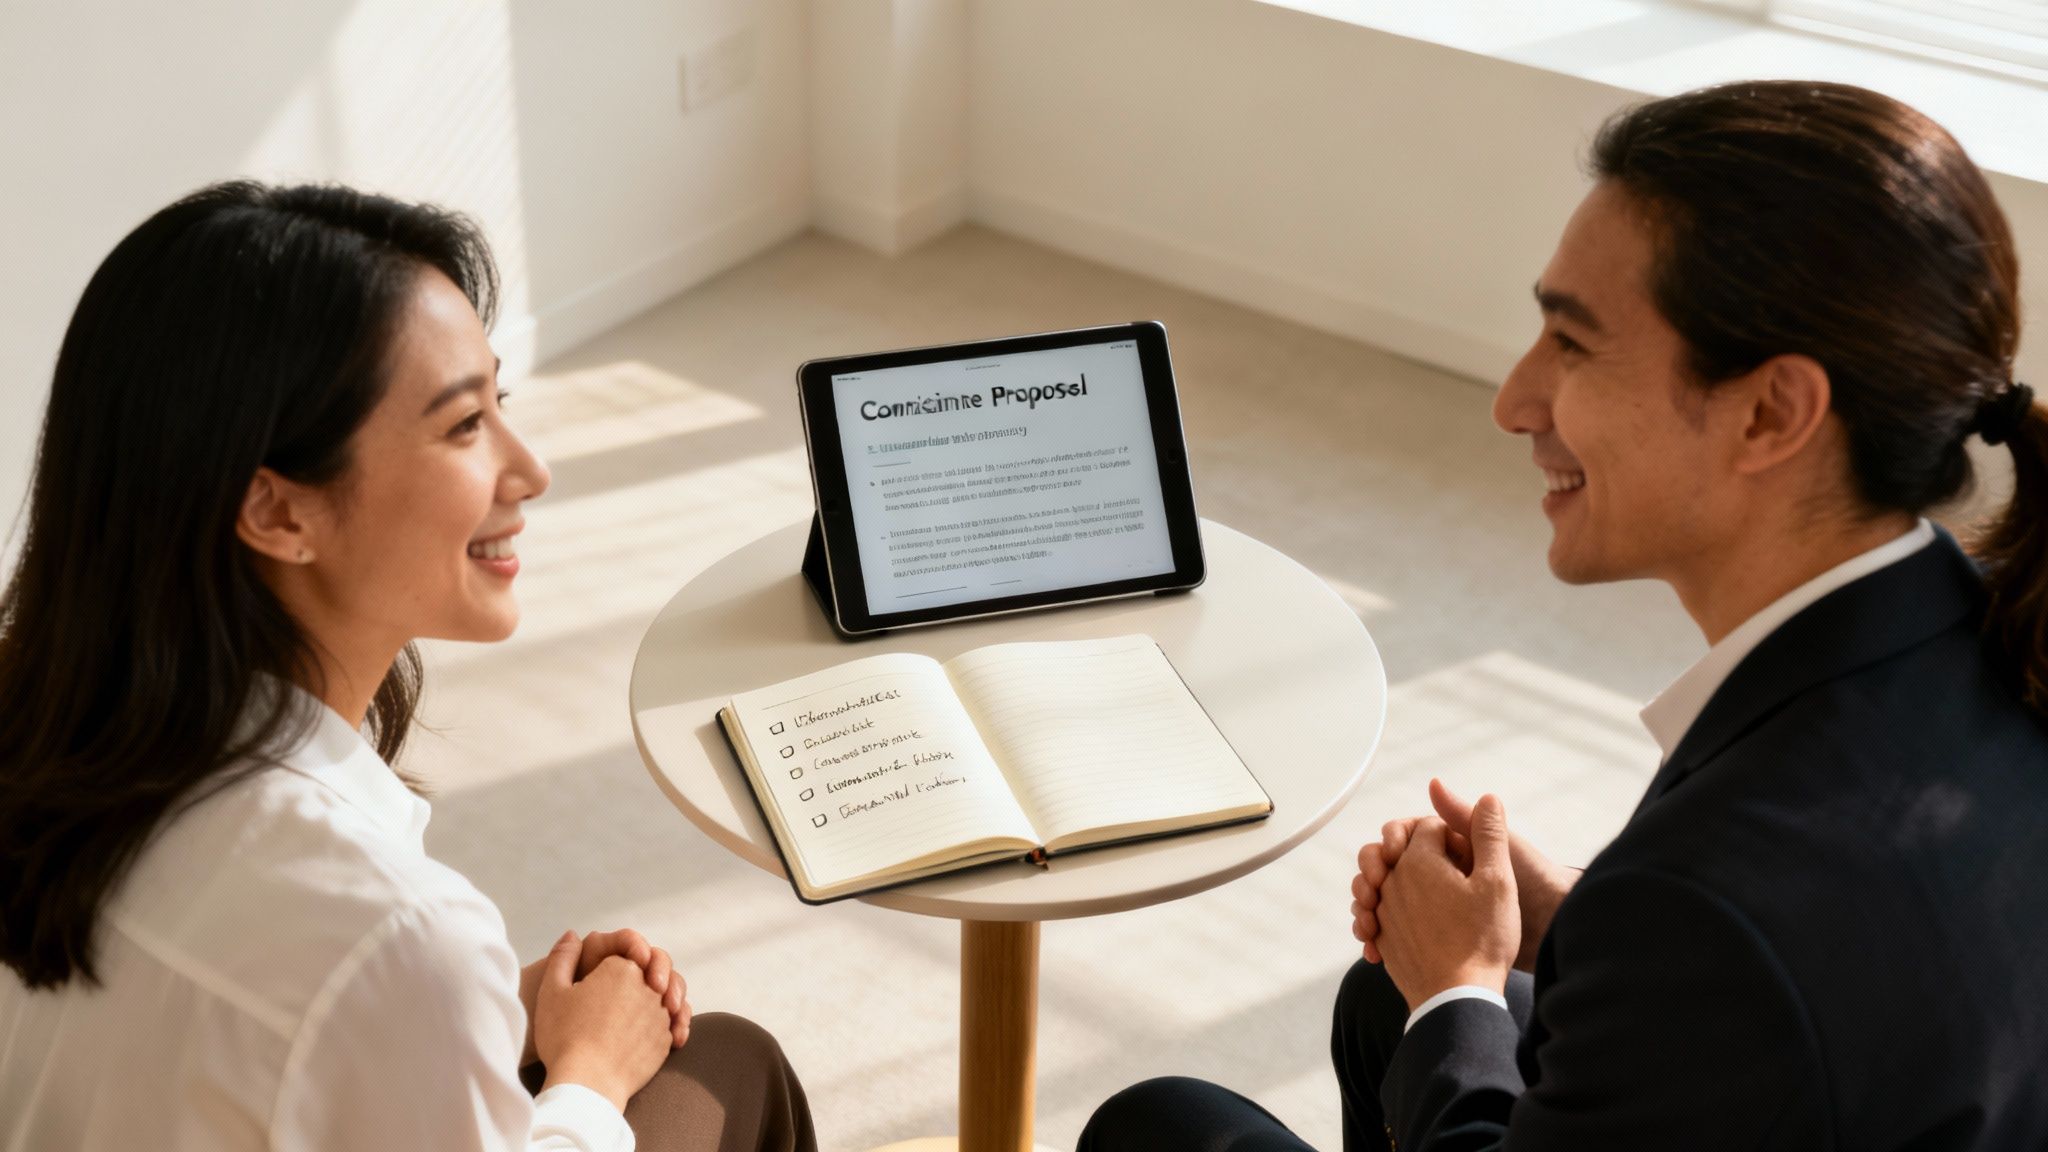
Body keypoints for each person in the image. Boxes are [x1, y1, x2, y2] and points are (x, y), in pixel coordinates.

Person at [1081, 80, 2048, 1149]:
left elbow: (1742, 936)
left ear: (1770, 411)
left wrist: (1457, 983)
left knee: (1163, 1122)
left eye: (1572, 345)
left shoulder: (1707, 903)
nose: (1512, 401)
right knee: (1386, 1003)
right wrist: (1572, 923)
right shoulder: (1991, 637)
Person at [0, 182, 817, 1151]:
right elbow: (348, 973)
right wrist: (590, 1073)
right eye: (464, 425)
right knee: (733, 1064)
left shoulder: (42, 715)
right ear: (277, 513)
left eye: (498, 401)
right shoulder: (389, 933)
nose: (530, 470)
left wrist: (480, 1011)